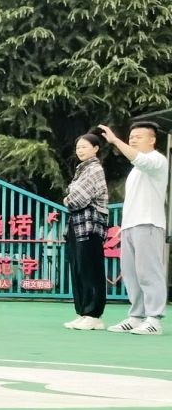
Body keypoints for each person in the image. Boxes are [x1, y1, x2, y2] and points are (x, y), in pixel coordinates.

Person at [101, 120, 167, 335]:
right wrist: (123, 226)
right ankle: (136, 316)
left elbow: (139, 159)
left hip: (148, 224)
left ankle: (154, 319)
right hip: (130, 226)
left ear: (152, 140)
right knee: (130, 274)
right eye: (131, 136)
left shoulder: (157, 160)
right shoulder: (135, 171)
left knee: (149, 272)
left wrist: (115, 140)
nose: (133, 139)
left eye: (139, 136)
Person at [62, 134, 111, 330]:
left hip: (90, 226)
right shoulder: (81, 171)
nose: (80, 150)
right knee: (78, 268)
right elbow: (75, 196)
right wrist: (70, 197)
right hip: (77, 224)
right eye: (78, 147)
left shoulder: (94, 169)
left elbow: (76, 198)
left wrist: (67, 199)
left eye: (84, 147)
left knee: (91, 269)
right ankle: (83, 312)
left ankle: (94, 314)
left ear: (96, 148)